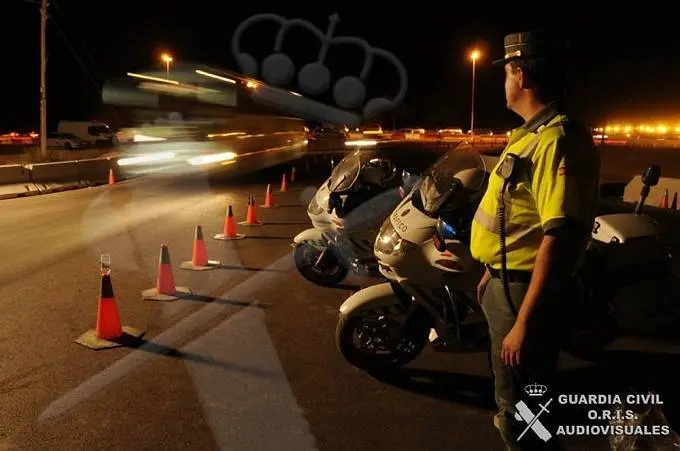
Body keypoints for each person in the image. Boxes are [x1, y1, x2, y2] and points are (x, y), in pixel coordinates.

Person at [469, 30, 601, 450]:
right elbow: (517, 219)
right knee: (513, 392)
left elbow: (560, 237)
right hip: (507, 282)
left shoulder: (557, 141)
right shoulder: (528, 134)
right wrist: (493, 271)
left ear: (521, 75)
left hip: (526, 293)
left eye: (506, 73)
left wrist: (524, 320)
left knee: (523, 404)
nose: (504, 83)